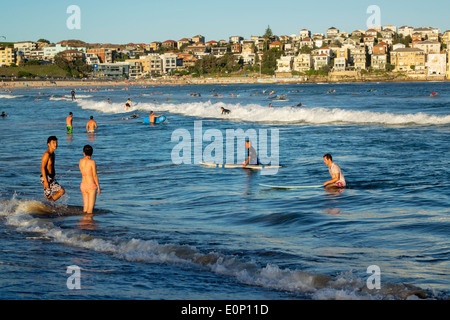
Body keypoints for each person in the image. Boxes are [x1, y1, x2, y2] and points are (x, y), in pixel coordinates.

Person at [40, 136, 65, 201]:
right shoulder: (47, 154)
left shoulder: (53, 154)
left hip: (51, 178)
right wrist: (45, 181)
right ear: (48, 144)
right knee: (61, 191)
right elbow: (42, 167)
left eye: (56, 142)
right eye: (53, 143)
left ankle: (47, 206)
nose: (55, 144)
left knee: (49, 197)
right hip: (46, 178)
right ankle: (49, 205)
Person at [79, 145, 101, 214]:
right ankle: (89, 224)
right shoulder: (92, 162)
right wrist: (98, 186)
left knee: (85, 207)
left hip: (83, 185)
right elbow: (94, 175)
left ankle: (83, 223)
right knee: (90, 210)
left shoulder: (81, 161)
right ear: (92, 153)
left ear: (84, 153)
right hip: (91, 185)